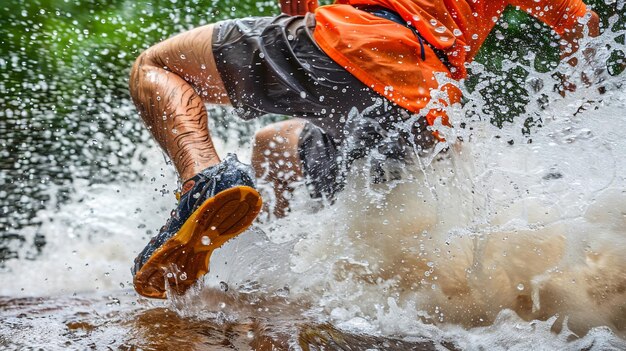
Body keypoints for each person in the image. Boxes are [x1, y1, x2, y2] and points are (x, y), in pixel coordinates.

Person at [128, 0, 600, 298]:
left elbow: (298, 11)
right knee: (274, 144)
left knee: (158, 65)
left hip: (361, 41)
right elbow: (583, 23)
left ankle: (204, 180)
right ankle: (283, 275)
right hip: (428, 113)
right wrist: (570, 108)